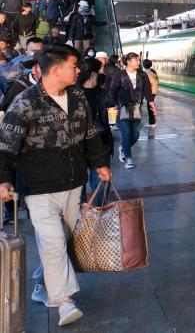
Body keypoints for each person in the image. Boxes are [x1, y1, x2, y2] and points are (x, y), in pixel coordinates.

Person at [0, 44, 111, 327]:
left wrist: (100, 163)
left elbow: (89, 133)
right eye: (74, 66)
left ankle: (42, 283)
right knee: (53, 243)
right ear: (57, 70)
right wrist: (3, 179)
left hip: (74, 184)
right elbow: (5, 146)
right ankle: (63, 301)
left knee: (67, 242)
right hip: (39, 188)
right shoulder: (25, 103)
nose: (78, 70)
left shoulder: (77, 96)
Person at [109, 52, 157, 169]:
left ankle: (123, 148)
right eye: (136, 60)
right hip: (122, 108)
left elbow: (147, 91)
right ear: (129, 62)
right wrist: (112, 106)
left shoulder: (142, 75)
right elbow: (112, 91)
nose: (139, 62)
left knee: (135, 135)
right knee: (126, 133)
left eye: (139, 60)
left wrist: (153, 105)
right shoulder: (119, 75)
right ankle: (129, 159)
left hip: (136, 108)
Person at [77, 57, 112, 207]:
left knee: (101, 184)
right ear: (93, 73)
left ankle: (99, 212)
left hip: (101, 142)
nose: (103, 73)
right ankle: (81, 213)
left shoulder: (102, 92)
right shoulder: (73, 93)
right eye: (101, 70)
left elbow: (109, 108)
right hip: (79, 146)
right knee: (78, 187)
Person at [142, 59, 158, 127]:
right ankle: (152, 122)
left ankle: (152, 123)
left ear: (144, 65)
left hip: (150, 91)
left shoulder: (145, 73)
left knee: (150, 107)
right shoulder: (153, 72)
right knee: (150, 106)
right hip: (154, 91)